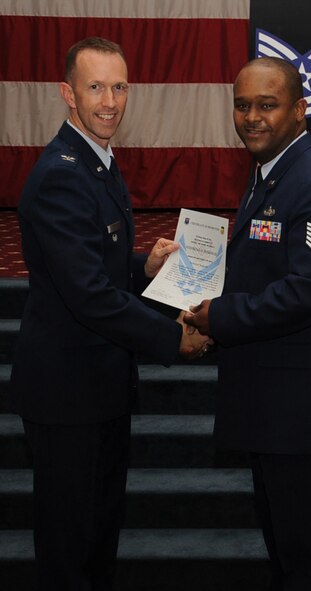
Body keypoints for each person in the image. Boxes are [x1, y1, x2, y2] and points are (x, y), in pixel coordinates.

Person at [11, 36, 210, 590]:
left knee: (99, 533)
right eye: (95, 86)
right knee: (71, 545)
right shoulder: (62, 173)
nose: (110, 101)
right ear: (67, 94)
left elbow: (93, 259)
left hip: (96, 386)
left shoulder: (95, 160)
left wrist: (143, 266)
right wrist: (173, 339)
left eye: (119, 87)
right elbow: (88, 295)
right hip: (66, 395)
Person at [184, 57, 311, 590]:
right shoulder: (271, 174)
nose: (252, 117)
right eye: (242, 105)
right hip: (276, 410)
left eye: (268, 105)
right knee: (288, 555)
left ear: (300, 110)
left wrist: (220, 315)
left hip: (302, 419)